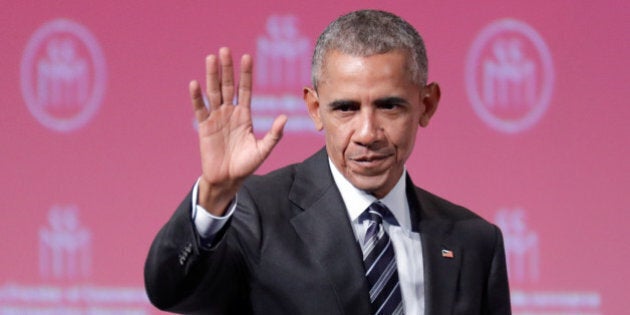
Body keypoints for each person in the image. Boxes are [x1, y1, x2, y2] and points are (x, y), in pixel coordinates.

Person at [144, 9, 511, 315]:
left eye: (389, 105)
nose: (368, 132)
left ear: (426, 105)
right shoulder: (258, 214)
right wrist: (214, 194)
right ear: (315, 109)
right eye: (346, 108)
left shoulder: (474, 240)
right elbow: (170, 290)